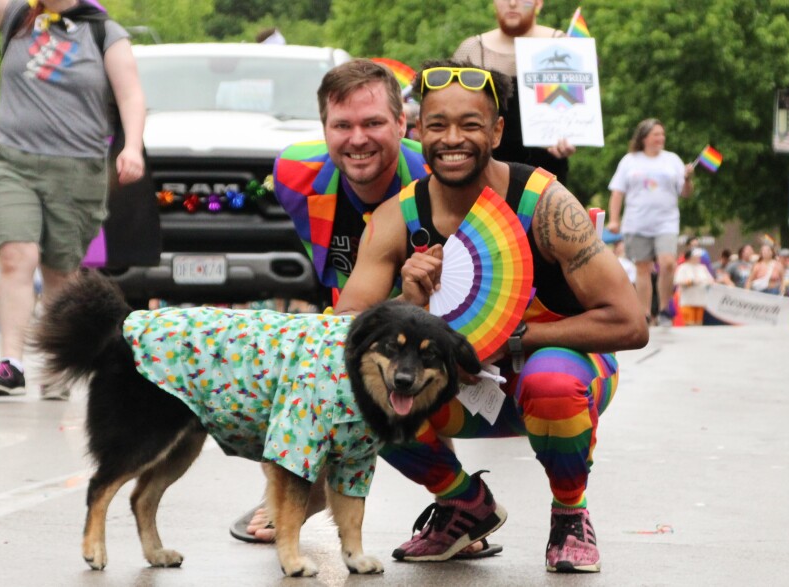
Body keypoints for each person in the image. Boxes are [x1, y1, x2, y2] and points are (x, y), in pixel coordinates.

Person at [335, 59, 649, 572]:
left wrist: (519, 338)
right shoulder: (398, 216)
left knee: (551, 378)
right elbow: (343, 332)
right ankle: (462, 504)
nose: (452, 138)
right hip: (457, 388)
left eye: (470, 124)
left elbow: (630, 324)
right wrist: (407, 305)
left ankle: (570, 513)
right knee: (361, 386)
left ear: (497, 131)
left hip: (557, 378)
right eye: (437, 125)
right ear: (418, 131)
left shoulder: (544, 203)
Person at [230, 58, 436, 545]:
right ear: (324, 128)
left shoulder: (433, 174)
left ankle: (455, 504)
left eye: (373, 123)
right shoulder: (292, 173)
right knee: (288, 368)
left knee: (411, 372)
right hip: (348, 305)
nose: (357, 138)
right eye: (342, 125)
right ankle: (300, 488)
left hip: (433, 311)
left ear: (402, 124)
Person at [0, 0, 146, 396]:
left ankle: (59, 364)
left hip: (77, 168)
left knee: (61, 271)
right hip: (13, 163)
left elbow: (130, 95)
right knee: (15, 256)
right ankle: (10, 363)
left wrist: (133, 147)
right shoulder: (18, 19)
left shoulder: (104, 32)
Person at [453, 0, 576, 185]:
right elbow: (454, 109)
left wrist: (572, 136)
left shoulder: (562, 45)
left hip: (545, 172)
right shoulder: (473, 50)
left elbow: (576, 107)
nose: (512, 3)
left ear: (538, 3)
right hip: (485, 173)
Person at [607, 118, 695, 327]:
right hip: (637, 222)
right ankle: (644, 313)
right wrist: (613, 219)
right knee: (643, 267)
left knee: (667, 263)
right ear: (644, 137)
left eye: (662, 134)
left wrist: (688, 178)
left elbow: (686, 193)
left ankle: (665, 309)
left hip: (666, 222)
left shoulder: (672, 159)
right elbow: (618, 192)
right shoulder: (630, 160)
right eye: (656, 134)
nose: (661, 138)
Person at [673, 248, 713, 326]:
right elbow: (677, 281)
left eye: (699, 256)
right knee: (689, 323)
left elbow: (710, 280)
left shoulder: (702, 268)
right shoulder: (683, 267)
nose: (698, 258)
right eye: (696, 256)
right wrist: (691, 282)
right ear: (690, 257)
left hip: (700, 300)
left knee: (698, 323)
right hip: (688, 300)